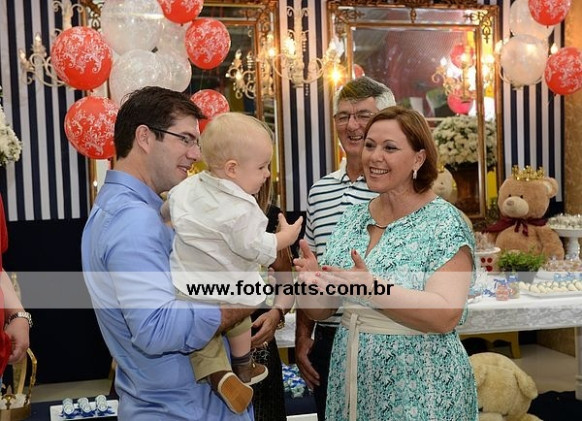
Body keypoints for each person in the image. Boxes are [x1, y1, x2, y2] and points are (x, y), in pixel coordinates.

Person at [81, 87, 257, 421]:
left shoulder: (123, 210)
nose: (195, 154)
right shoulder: (133, 220)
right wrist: (243, 300)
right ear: (145, 137)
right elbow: (156, 328)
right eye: (185, 139)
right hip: (182, 411)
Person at [295, 106, 478, 420]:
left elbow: (445, 315)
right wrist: (312, 285)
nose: (374, 157)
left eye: (390, 148)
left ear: (418, 159)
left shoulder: (445, 223)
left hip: (420, 386)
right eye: (370, 145)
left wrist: (373, 288)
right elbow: (324, 310)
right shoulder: (353, 218)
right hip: (352, 379)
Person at [161, 112, 302, 414]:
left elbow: (167, 207)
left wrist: (277, 311)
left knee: (204, 339)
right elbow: (259, 247)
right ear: (233, 168)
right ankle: (242, 368)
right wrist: (285, 238)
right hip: (235, 295)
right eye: (262, 167)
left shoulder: (190, 188)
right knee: (235, 321)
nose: (267, 174)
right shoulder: (245, 210)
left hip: (191, 286)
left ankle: (221, 375)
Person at [295, 76, 396, 420]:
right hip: (328, 340)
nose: (352, 125)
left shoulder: (397, 190)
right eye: (343, 116)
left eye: (363, 115)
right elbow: (310, 267)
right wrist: (303, 336)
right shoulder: (319, 191)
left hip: (384, 339)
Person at [248, 175, 295, 421]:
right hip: (209, 344)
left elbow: (287, 285)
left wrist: (276, 313)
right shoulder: (204, 214)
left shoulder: (270, 217)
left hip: (259, 346)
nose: (265, 173)